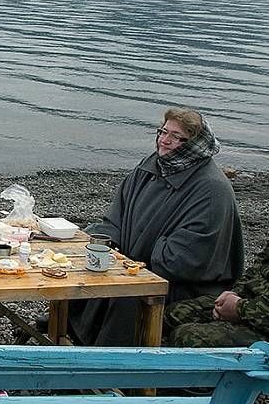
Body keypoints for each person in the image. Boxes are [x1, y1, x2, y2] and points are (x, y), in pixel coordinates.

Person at [69, 108, 244, 346]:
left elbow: (188, 259)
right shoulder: (149, 167)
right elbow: (115, 218)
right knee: (83, 267)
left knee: (128, 293)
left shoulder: (212, 190)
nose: (164, 140)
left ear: (194, 144)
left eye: (176, 136)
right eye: (163, 132)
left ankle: (112, 362)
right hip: (136, 264)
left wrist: (133, 261)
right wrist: (100, 243)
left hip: (184, 286)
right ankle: (67, 334)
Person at [165, 237, 268, 347]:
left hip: (261, 324)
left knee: (188, 337)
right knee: (175, 313)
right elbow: (256, 269)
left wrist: (238, 308)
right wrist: (233, 294)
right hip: (250, 303)